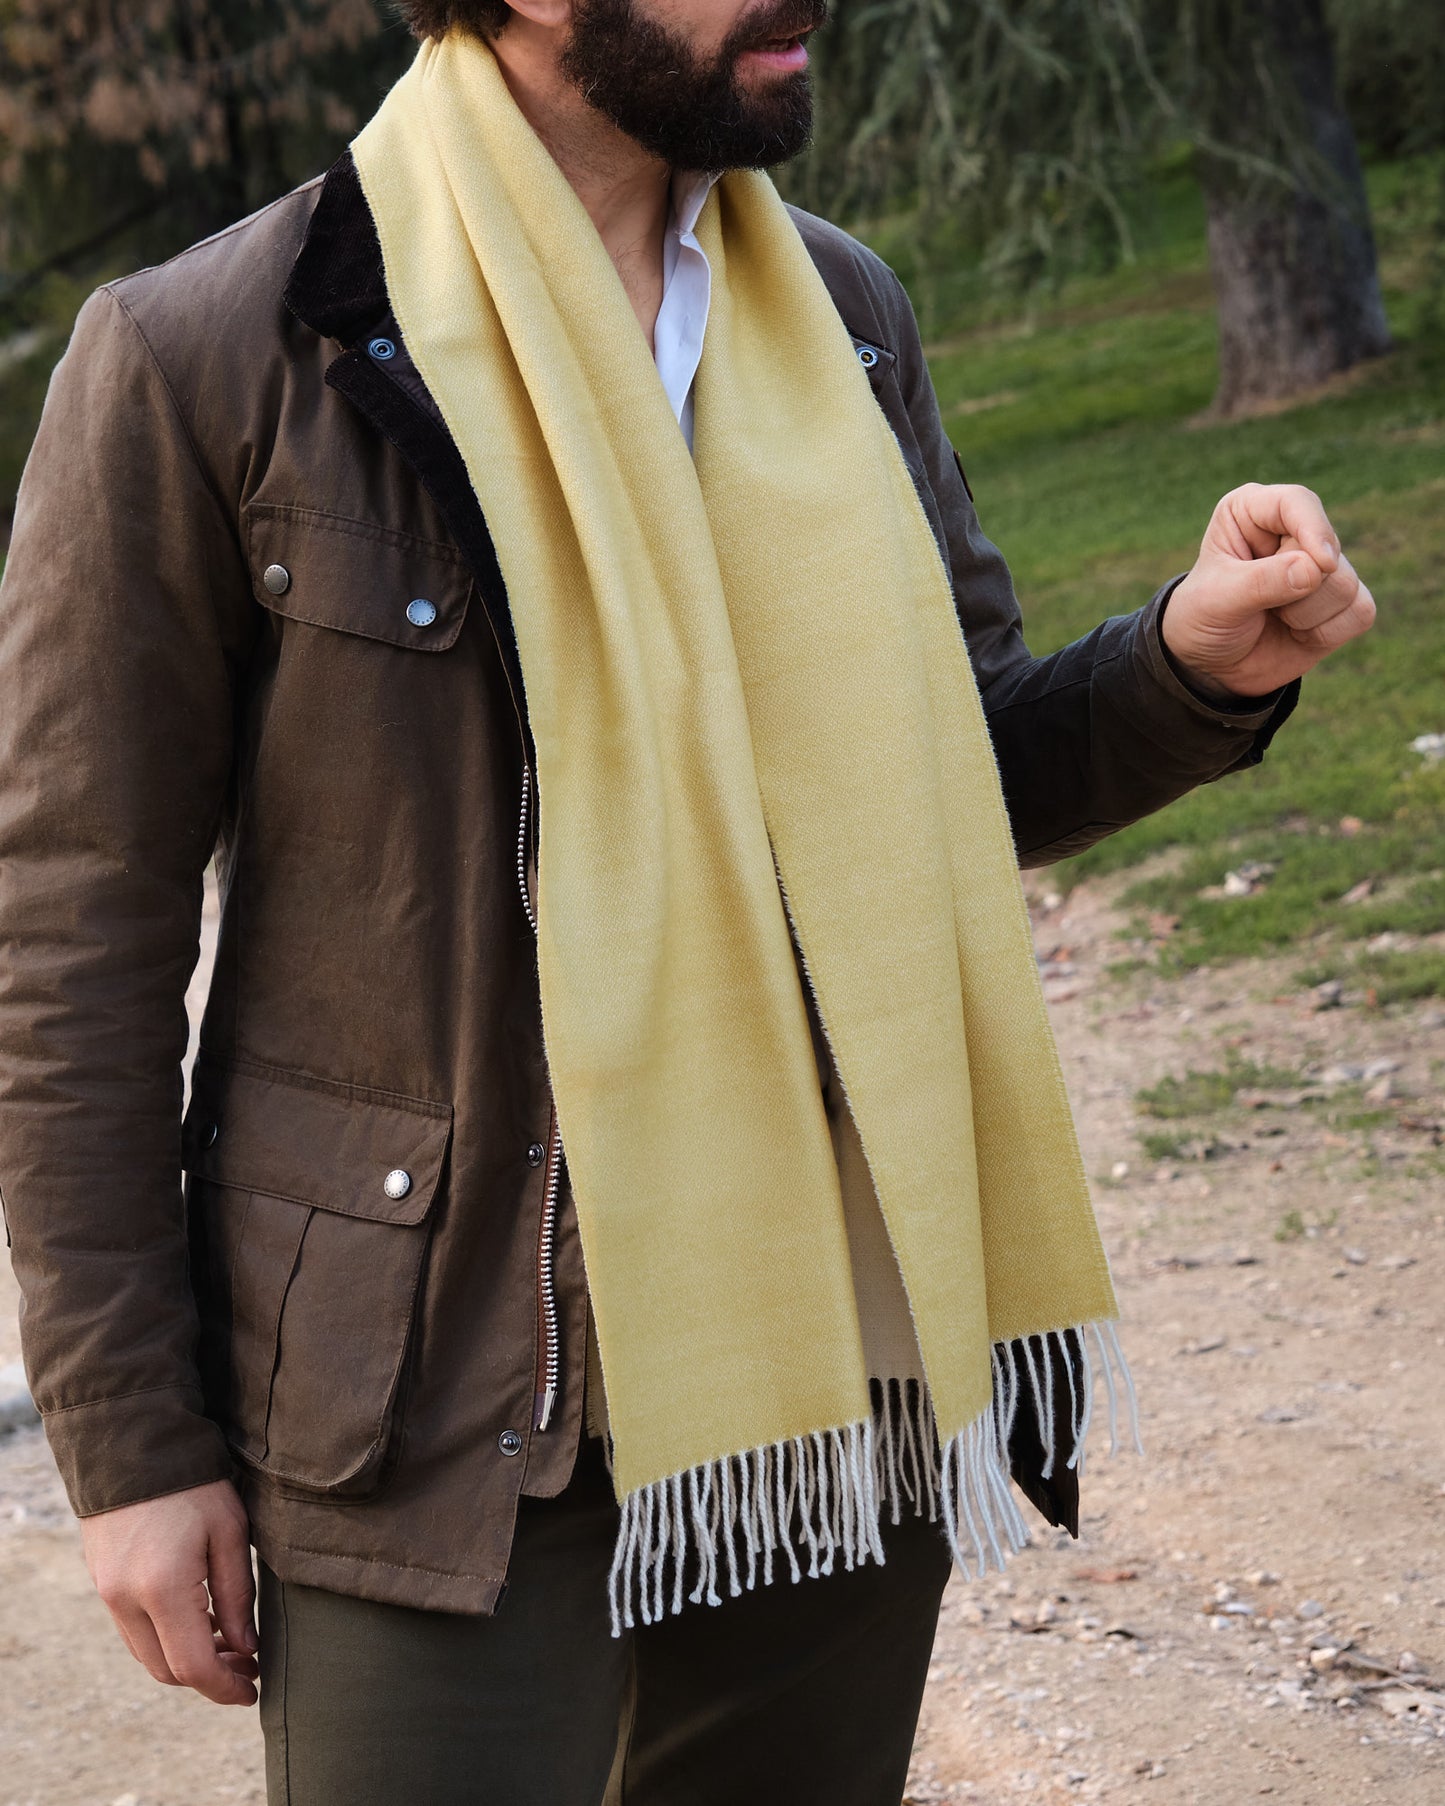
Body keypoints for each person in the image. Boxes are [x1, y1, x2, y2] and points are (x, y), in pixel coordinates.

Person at [0, 1, 1375, 1801]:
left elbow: (950, 774)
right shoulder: (217, 350)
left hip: (835, 1355)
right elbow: (71, 935)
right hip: (442, 1400)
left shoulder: (837, 320)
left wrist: (1182, 668)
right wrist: (129, 1439)